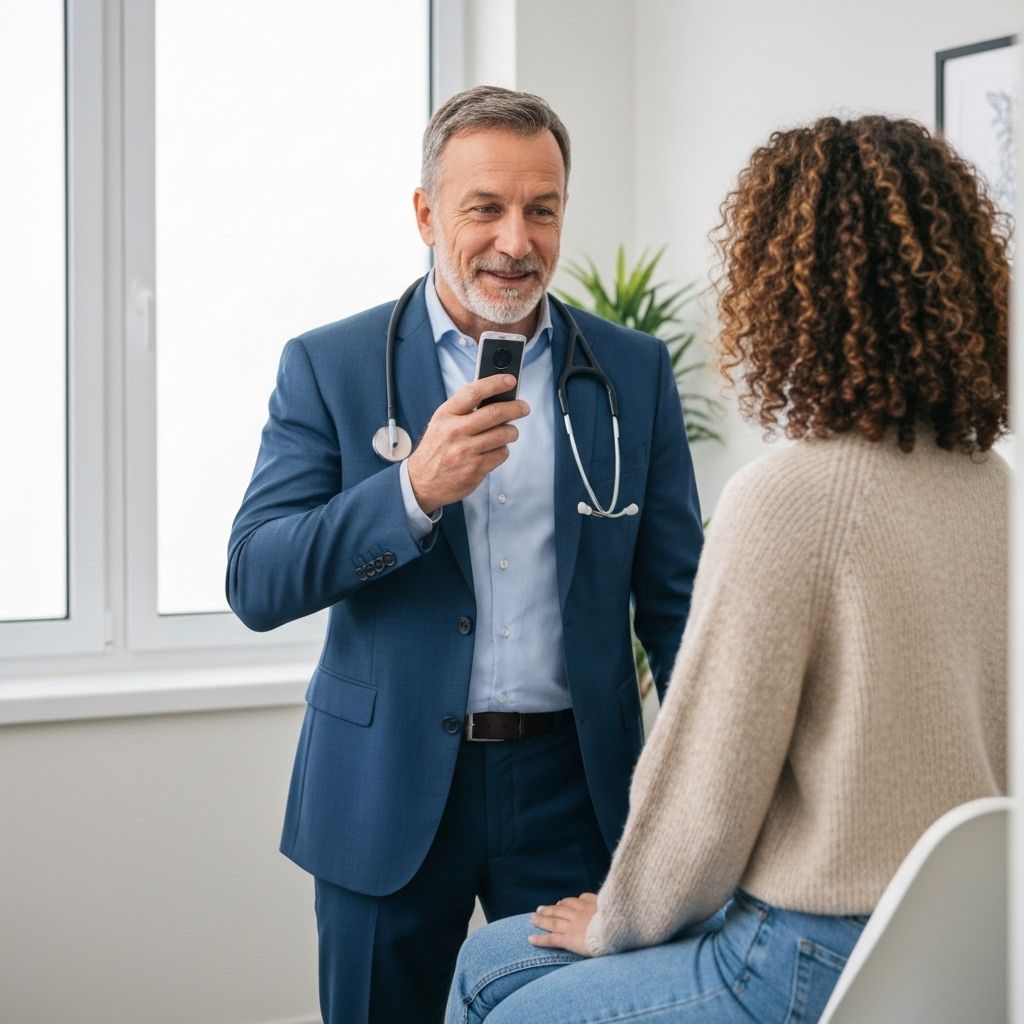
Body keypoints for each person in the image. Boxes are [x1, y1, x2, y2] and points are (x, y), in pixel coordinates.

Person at [445, 114, 1009, 1024]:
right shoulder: (999, 495)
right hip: (964, 940)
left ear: (788, 288)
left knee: (497, 991)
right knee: (498, 952)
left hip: (800, 950)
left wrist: (619, 922)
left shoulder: (790, 497)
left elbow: (708, 791)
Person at [226, 85, 703, 1024]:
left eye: (542, 208)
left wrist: (701, 813)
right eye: (484, 208)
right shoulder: (331, 365)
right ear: (425, 213)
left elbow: (680, 607)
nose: (515, 241)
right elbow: (257, 576)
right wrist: (413, 494)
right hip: (389, 793)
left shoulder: (632, 372)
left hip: (577, 793)